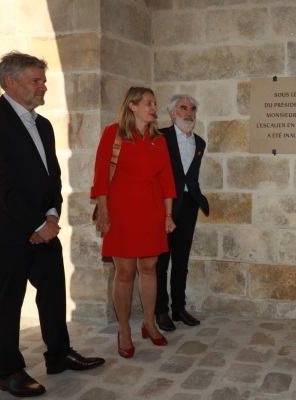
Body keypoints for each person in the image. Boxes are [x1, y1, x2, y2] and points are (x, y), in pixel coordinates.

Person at [0, 51, 105, 398]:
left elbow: (51, 176)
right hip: (8, 232)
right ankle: (10, 371)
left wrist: (53, 216)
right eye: (36, 80)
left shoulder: (42, 123)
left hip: (45, 227)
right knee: (8, 303)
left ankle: (58, 355)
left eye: (43, 79)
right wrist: (36, 224)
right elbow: (0, 186)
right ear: (11, 82)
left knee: (53, 292)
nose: (44, 86)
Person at [91, 87, 177, 358]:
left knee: (150, 267)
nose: (154, 108)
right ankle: (124, 329)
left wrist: (168, 215)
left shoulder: (158, 138)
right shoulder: (112, 133)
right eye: (148, 103)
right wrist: (103, 212)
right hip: (121, 209)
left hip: (152, 209)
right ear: (132, 106)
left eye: (155, 103)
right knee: (125, 272)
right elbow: (100, 176)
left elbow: (167, 181)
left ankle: (149, 322)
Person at [155, 94, 209, 331]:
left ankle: (179, 308)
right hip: (165, 206)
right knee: (161, 261)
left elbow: (191, 176)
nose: (189, 113)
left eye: (192, 109)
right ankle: (160, 311)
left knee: (181, 261)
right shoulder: (159, 137)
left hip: (189, 205)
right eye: (183, 108)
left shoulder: (200, 142)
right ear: (172, 113)